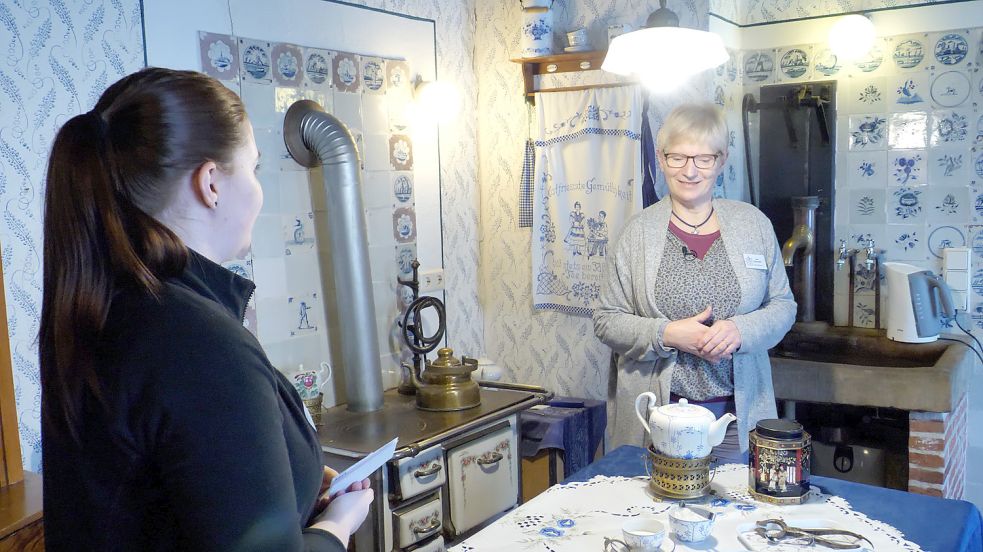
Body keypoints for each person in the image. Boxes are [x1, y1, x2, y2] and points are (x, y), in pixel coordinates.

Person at [39, 68, 372, 551]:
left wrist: (290, 483)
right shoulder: (200, 343)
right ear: (211, 182)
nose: (259, 190)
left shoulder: (106, 309)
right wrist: (337, 526)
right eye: (254, 169)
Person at [593, 103, 796, 464]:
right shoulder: (636, 233)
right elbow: (607, 319)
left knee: (736, 513)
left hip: (736, 419)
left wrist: (739, 330)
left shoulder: (754, 225)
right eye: (678, 157)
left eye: (703, 158)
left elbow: (783, 304)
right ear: (660, 157)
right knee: (655, 511)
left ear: (722, 160)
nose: (690, 171)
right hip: (656, 419)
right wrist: (666, 334)